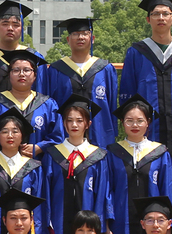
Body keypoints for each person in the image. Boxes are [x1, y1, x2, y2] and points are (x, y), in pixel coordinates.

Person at [118, 0, 172, 151]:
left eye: (165, 14)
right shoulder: (136, 52)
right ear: (148, 19)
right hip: (147, 129)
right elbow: (127, 94)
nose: (161, 18)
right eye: (156, 14)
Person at [42, 96, 112, 234]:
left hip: (89, 225)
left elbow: (102, 193)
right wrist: (45, 226)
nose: (74, 125)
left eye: (79, 121)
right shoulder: (53, 155)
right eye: (70, 120)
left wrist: (99, 226)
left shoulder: (98, 156)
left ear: (88, 124)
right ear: (64, 123)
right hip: (58, 225)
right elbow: (45, 192)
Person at [108, 95, 172, 234]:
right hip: (120, 221)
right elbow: (107, 191)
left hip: (154, 223)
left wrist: (168, 224)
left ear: (148, 122)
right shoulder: (112, 152)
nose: (135, 125)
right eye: (129, 120)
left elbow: (167, 189)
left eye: (140, 120)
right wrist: (106, 225)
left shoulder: (159, 153)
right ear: (122, 122)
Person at [42, 18, 118, 148]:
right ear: (68, 40)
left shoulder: (105, 69)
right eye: (75, 34)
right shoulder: (56, 70)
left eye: (85, 34)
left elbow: (112, 105)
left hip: (100, 134)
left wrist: (112, 133)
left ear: (92, 38)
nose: (80, 37)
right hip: (65, 137)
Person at [0, 110, 48, 234]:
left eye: (15, 131)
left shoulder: (33, 167)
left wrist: (38, 232)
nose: (10, 136)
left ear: (22, 136)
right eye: (4, 131)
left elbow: (39, 201)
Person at [0, 50, 62, 158]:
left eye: (27, 70)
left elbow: (58, 136)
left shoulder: (48, 105)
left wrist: (40, 147)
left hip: (37, 165)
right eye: (16, 70)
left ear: (35, 75)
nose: (21, 74)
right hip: (2, 164)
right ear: (9, 75)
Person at [0, 0, 40, 99]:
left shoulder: (34, 57)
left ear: (22, 29)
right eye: (5, 24)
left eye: (16, 25)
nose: (10, 28)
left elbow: (41, 91)